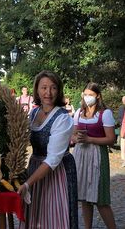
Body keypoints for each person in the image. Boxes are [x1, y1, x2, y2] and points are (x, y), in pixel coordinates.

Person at [18, 70, 78, 229]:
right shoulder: (34, 112)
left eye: (53, 88)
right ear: (37, 90)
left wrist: (27, 184)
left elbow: (52, 159)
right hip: (36, 168)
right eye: (44, 87)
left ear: (58, 91)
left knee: (54, 218)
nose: (48, 92)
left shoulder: (62, 118)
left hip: (57, 172)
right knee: (36, 215)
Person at [71, 82, 116, 229]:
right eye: (85, 94)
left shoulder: (105, 113)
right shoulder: (79, 112)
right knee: (84, 197)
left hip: (97, 156)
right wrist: (75, 138)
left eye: (90, 95)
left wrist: (90, 139)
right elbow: (73, 134)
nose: (87, 97)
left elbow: (111, 139)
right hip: (81, 156)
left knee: (101, 199)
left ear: (98, 96)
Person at [118, 96, 125, 167]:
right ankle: (123, 160)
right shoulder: (121, 108)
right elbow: (120, 119)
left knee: (123, 145)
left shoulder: (121, 108)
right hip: (123, 128)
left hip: (123, 128)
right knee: (123, 145)